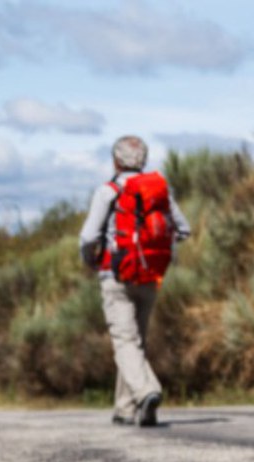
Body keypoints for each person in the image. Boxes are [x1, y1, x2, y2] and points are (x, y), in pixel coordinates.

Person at [79, 135, 191, 426]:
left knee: (124, 341)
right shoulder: (158, 191)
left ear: (116, 160)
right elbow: (183, 229)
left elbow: (89, 236)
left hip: (116, 275)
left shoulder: (108, 191)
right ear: (143, 159)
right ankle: (125, 408)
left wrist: (91, 259)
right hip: (151, 275)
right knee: (135, 341)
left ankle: (146, 391)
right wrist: (155, 248)